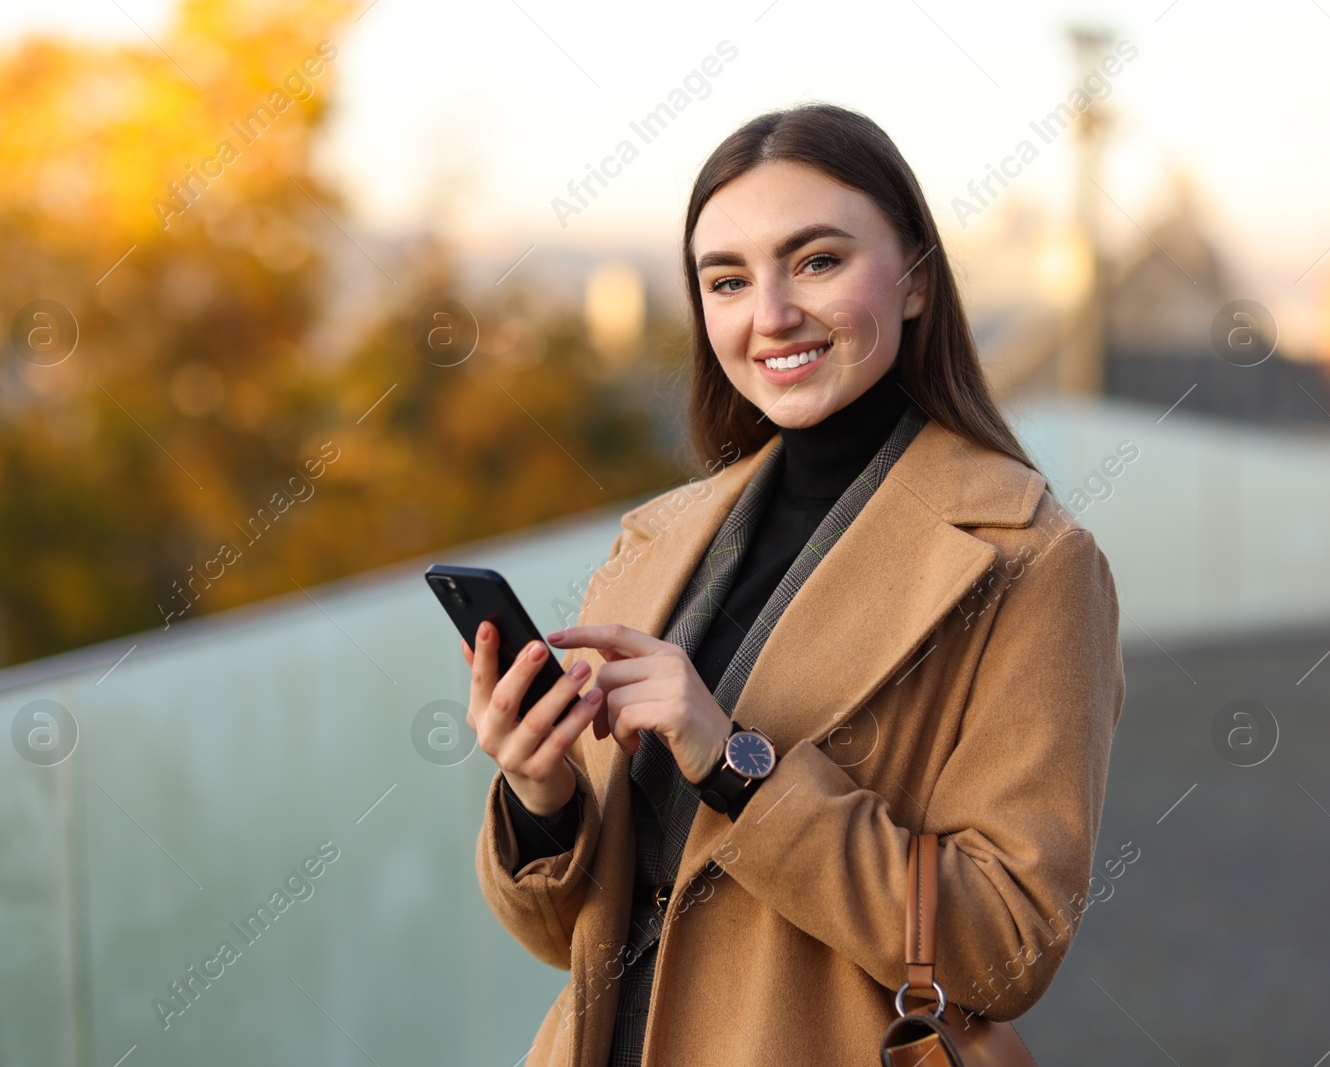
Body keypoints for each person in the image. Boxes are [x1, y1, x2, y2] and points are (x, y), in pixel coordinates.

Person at [462, 102, 1124, 1067]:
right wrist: (541, 791)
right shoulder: (657, 541)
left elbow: (1005, 949)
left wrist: (733, 760)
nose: (769, 315)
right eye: (727, 280)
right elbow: (569, 937)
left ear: (916, 284)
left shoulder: (1032, 561)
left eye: (816, 262)